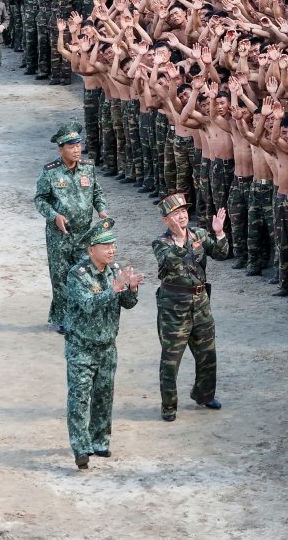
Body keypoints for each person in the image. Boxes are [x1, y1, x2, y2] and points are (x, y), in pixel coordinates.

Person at [63, 218, 142, 470]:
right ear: (91, 250)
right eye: (105, 245)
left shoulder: (114, 270)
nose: (111, 250)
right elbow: (87, 304)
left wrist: (130, 289)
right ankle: (80, 447)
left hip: (108, 346)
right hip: (81, 348)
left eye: (113, 245)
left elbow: (128, 305)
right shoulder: (77, 274)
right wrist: (114, 289)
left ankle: (100, 441)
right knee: (79, 397)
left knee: (103, 395)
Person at [151, 192, 229, 422]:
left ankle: (205, 395)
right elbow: (169, 262)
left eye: (184, 212)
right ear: (166, 220)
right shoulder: (161, 243)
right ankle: (168, 406)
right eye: (176, 214)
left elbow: (222, 254)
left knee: (207, 354)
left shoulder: (199, 234)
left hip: (201, 303)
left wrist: (219, 232)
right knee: (171, 359)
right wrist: (179, 240)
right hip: (174, 308)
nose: (182, 216)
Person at [34, 122, 108, 332]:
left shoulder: (87, 168)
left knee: (87, 274)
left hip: (85, 234)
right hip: (60, 235)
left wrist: (102, 210)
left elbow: (97, 193)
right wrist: (54, 216)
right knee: (61, 278)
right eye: (71, 146)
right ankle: (64, 319)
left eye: (78, 145)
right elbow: (40, 200)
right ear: (61, 149)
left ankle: (87, 316)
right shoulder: (49, 172)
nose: (76, 150)